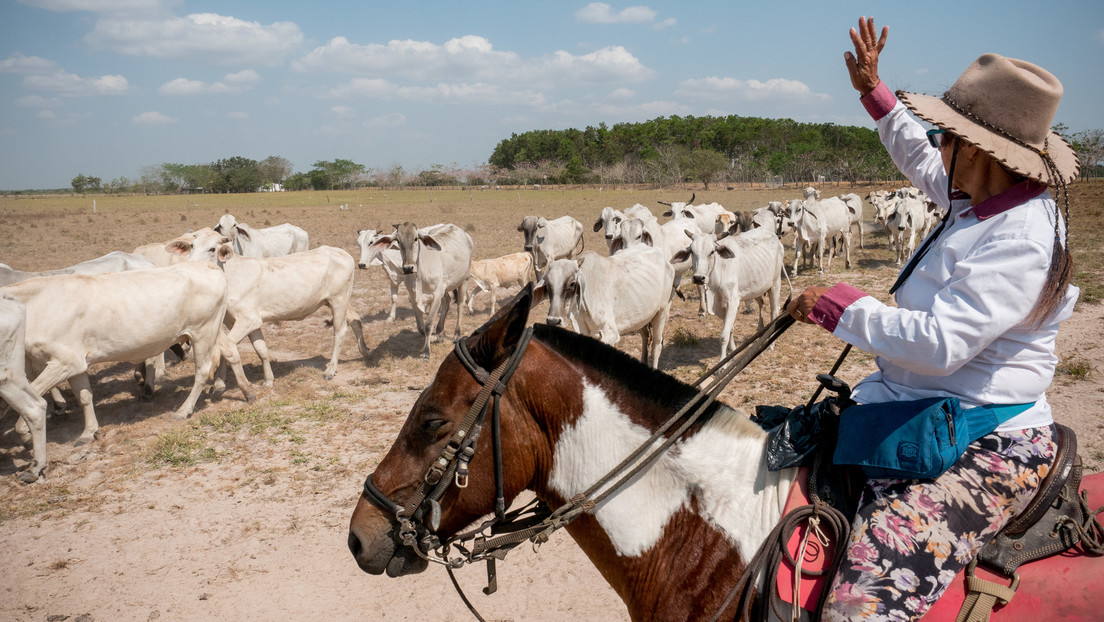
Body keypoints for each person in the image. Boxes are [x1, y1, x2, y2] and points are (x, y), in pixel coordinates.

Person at [785, 16, 1081, 621]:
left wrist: (841, 308)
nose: (937, 142)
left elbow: (942, 344)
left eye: (946, 134)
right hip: (918, 403)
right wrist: (875, 94)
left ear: (975, 150)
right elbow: (922, 160)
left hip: (984, 435)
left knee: (859, 606)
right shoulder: (983, 199)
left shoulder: (1021, 236)